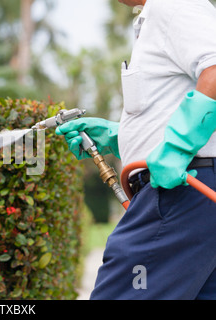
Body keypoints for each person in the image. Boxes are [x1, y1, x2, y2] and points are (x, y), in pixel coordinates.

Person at [56, 0, 216, 299]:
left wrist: (178, 147)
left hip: (181, 195)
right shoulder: (158, 16)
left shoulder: (175, 6)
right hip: (193, 194)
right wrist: (117, 136)